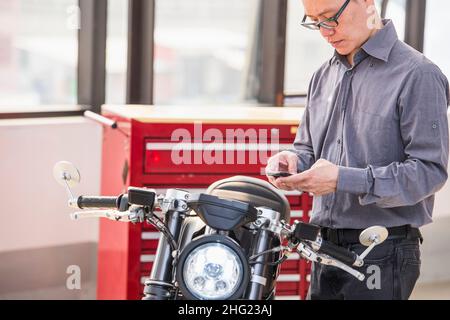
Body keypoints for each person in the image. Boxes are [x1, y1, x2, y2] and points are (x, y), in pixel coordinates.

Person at [266, 0, 450, 300]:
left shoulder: (419, 75)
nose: (325, 32)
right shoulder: (323, 76)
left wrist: (342, 179)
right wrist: (293, 161)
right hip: (324, 248)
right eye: (315, 22)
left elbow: (429, 173)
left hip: (381, 250)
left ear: (367, 3)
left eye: (330, 18)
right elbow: (308, 149)